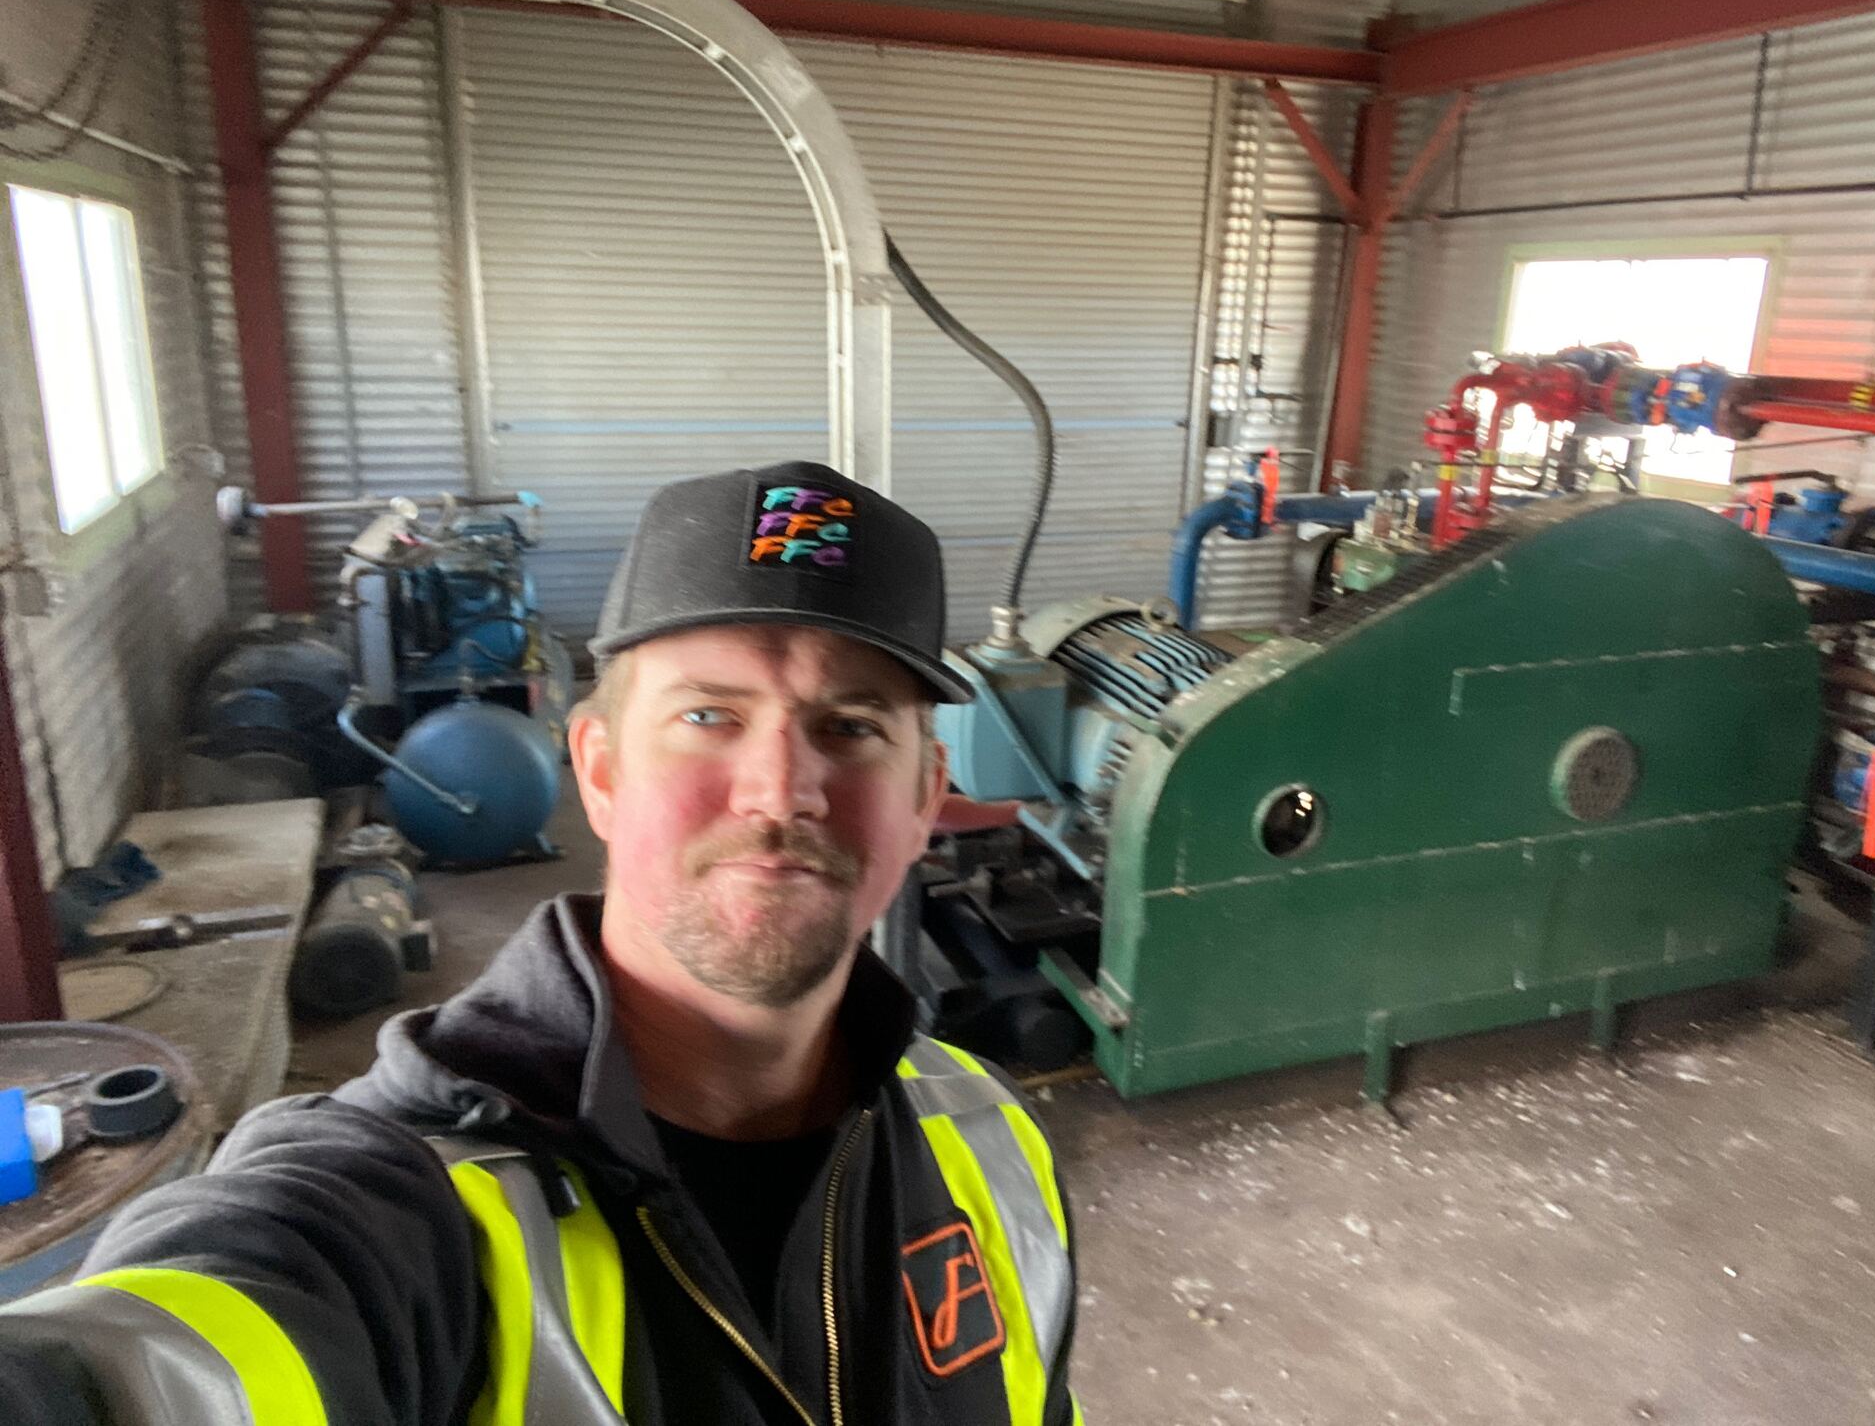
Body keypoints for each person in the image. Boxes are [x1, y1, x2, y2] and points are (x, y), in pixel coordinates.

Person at [0, 461, 1081, 1426]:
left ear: (924, 795)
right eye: (709, 716)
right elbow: (155, 1364)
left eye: (851, 727)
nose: (780, 791)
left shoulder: (990, 1141)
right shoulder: (405, 1206)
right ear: (599, 772)